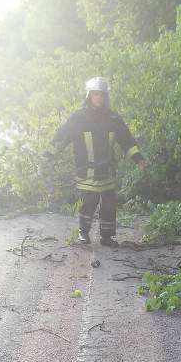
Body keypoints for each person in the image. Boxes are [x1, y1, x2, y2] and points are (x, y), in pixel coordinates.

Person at [53, 77, 144, 247]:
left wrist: (138, 159)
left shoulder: (113, 118)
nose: (99, 97)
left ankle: (107, 237)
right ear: (89, 95)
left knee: (109, 205)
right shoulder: (78, 118)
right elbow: (61, 138)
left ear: (106, 96)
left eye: (102, 94)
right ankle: (83, 233)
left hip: (107, 171)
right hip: (86, 170)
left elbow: (127, 141)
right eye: (95, 94)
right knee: (88, 203)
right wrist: (48, 157)